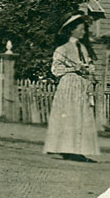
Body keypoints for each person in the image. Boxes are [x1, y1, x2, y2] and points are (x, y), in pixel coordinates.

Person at [43, 12, 101, 162]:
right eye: (81, 29)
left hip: (82, 86)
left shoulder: (83, 48)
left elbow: (88, 65)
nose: (83, 32)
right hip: (69, 85)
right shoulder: (62, 49)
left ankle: (78, 150)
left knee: (81, 116)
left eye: (84, 29)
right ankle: (67, 149)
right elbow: (56, 70)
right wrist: (74, 69)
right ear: (72, 30)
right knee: (69, 116)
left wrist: (89, 73)